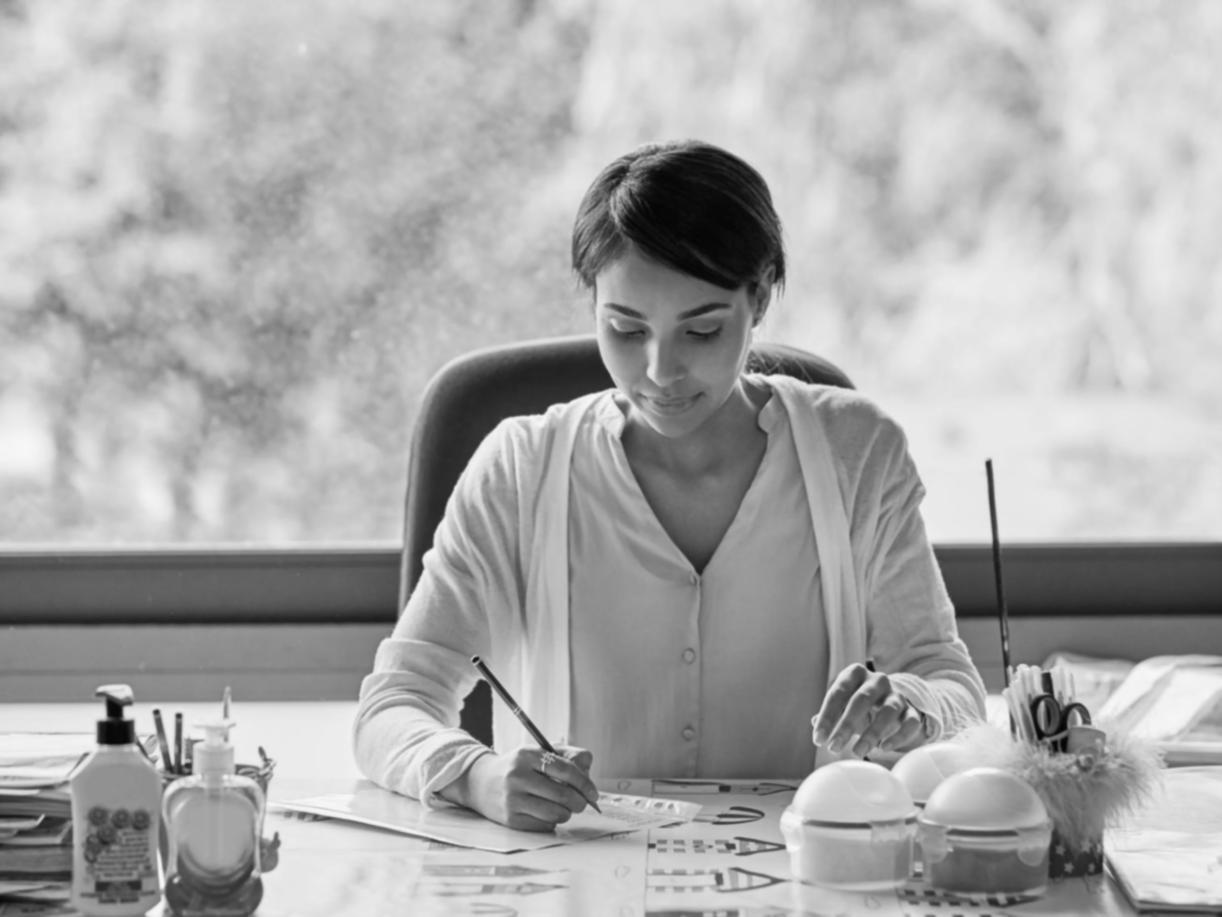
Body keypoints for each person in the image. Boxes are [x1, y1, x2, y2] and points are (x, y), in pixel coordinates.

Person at [353, 139, 987, 832]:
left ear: (760, 299)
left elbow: (954, 686)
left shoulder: (856, 452)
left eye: (704, 330)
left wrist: (909, 706)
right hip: (579, 882)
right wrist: (474, 773)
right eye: (625, 328)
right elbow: (394, 704)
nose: (661, 370)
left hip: (803, 875)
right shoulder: (522, 469)